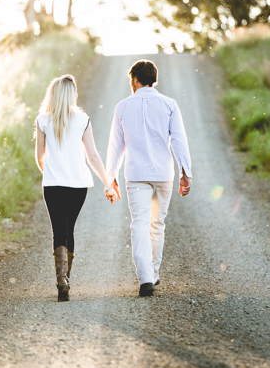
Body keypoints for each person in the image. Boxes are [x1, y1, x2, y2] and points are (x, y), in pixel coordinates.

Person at [105, 60, 192, 297]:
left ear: (134, 79)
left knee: (139, 225)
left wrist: (109, 176)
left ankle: (146, 279)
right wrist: (186, 172)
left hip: (136, 176)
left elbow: (116, 146)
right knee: (157, 225)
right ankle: (152, 274)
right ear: (154, 79)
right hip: (163, 174)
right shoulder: (169, 104)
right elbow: (179, 140)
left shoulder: (122, 107)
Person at [35, 74, 115, 302]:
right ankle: (65, 280)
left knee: (58, 231)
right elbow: (92, 155)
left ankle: (62, 281)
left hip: (53, 185)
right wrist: (107, 184)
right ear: (71, 95)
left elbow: (39, 157)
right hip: (79, 185)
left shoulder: (43, 120)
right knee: (69, 230)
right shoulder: (82, 119)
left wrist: (51, 173)